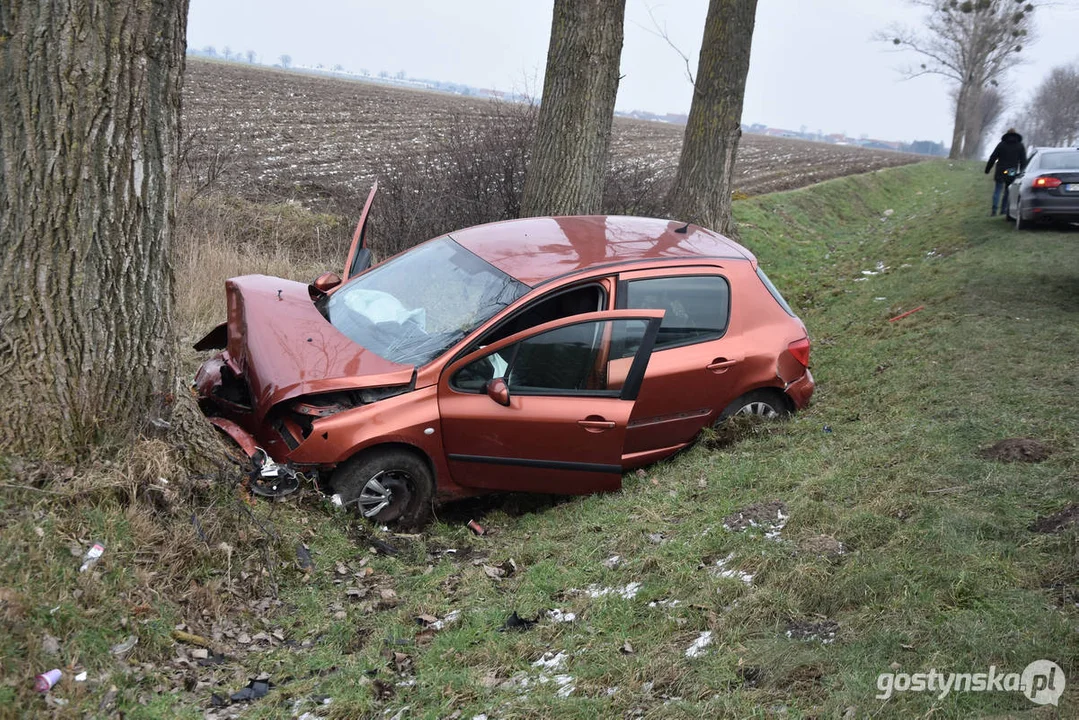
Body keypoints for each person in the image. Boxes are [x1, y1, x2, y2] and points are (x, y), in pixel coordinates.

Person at [984, 129, 1027, 217]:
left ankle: (994, 210)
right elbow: (1023, 161)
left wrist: (987, 169)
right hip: (1011, 170)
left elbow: (993, 157)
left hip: (1000, 170)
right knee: (1007, 190)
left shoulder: (1001, 145)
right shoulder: (1020, 146)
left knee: (998, 190)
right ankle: (1003, 210)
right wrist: (1023, 172)